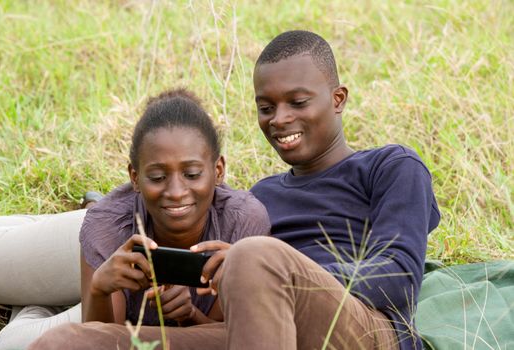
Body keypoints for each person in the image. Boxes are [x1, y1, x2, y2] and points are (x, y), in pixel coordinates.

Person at [30, 30, 440, 350]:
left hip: (363, 334)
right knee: (62, 343)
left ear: (337, 99)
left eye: (297, 102)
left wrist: (267, 275)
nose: (279, 119)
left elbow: (399, 274)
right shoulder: (260, 197)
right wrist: (201, 304)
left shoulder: (390, 165)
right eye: (266, 108)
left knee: (255, 256)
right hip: (259, 335)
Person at [0, 89, 270, 349]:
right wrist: (99, 287)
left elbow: (226, 337)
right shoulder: (107, 225)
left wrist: (190, 315)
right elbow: (96, 338)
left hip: (113, 304)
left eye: (192, 174)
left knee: (8, 345)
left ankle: (37, 305)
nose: (175, 192)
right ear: (135, 177)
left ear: (218, 170)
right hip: (101, 239)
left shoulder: (243, 222)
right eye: (158, 178)